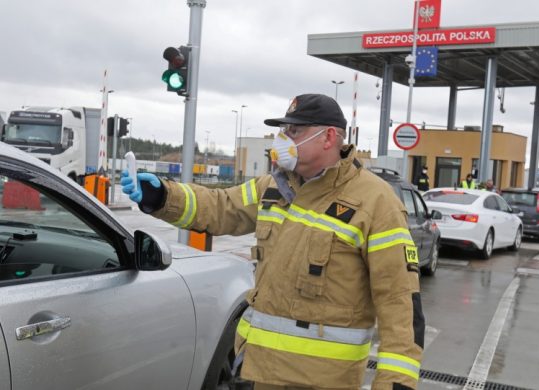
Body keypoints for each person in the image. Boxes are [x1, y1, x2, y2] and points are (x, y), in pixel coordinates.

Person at [121, 94, 424, 390]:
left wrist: (395, 383)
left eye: (295, 131)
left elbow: (399, 303)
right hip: (259, 371)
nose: (283, 139)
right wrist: (162, 196)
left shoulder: (376, 201)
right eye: (283, 130)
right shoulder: (275, 185)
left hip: (322, 381)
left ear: (329, 137)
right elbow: (220, 206)